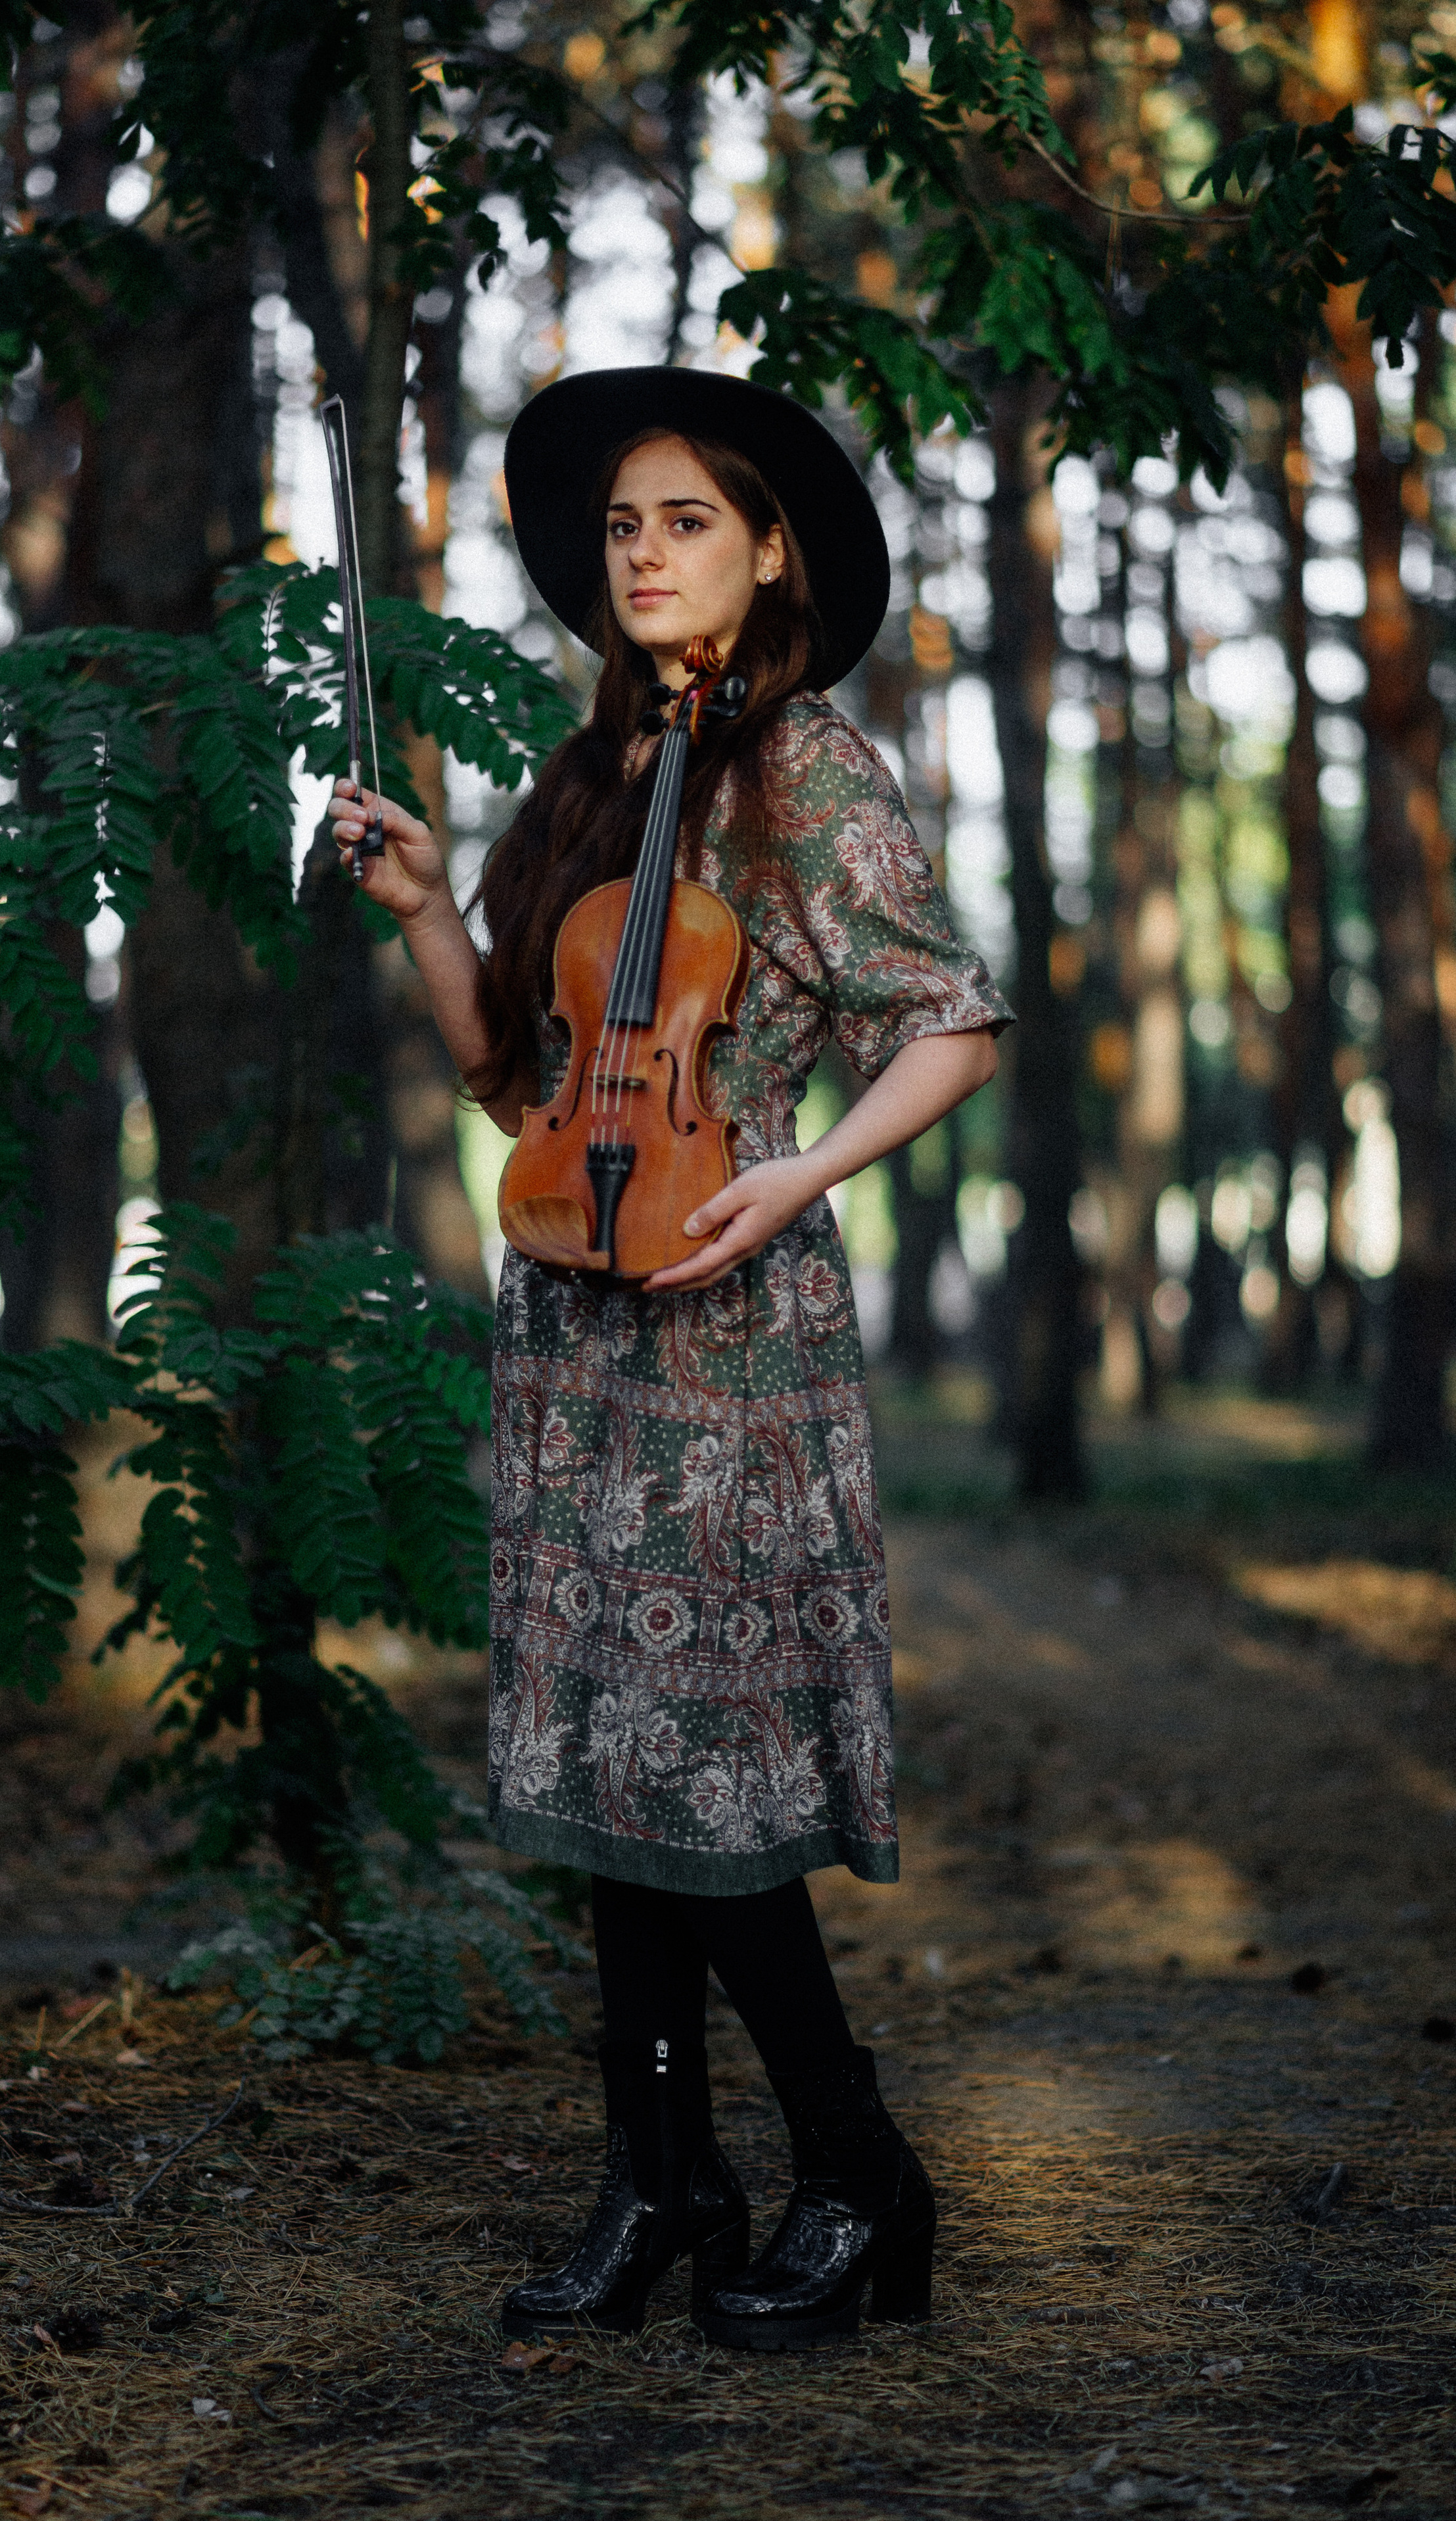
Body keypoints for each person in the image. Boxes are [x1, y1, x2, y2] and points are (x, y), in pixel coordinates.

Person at [332, 366, 1010, 2351]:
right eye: (622, 526)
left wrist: (800, 1178)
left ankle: (859, 2169)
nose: (644, 551)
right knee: (609, 1786)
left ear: (770, 545)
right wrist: (423, 917)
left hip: (727, 1343)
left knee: (706, 1791)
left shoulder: (807, 774)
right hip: (577, 1335)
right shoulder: (594, 775)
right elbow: (521, 1090)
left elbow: (950, 1020)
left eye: (687, 519)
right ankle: (662, 2180)